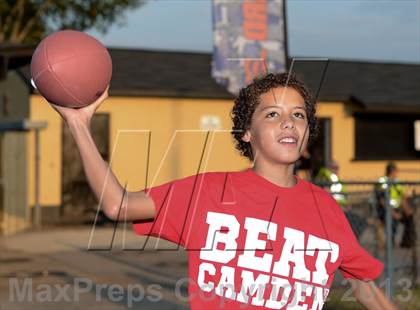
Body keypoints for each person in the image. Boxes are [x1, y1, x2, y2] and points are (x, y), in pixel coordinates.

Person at [51, 73, 396, 309]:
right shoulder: (210, 192)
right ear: (247, 131)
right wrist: (79, 125)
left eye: (299, 115)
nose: (289, 122)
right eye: (273, 114)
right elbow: (117, 205)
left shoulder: (325, 209)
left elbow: (365, 287)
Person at [375, 162, 414, 248]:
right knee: (392, 220)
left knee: (409, 218)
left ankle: (407, 242)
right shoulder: (383, 182)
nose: (397, 173)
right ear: (392, 171)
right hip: (384, 210)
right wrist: (392, 213)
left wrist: (407, 209)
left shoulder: (396, 182)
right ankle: (390, 242)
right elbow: (382, 200)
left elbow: (402, 196)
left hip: (397, 209)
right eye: (396, 171)